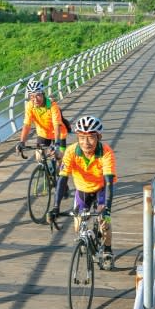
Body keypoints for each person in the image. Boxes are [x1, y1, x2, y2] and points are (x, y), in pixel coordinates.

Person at [49, 115, 117, 270]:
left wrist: (106, 207)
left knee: (104, 222)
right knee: (78, 226)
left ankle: (107, 250)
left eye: (91, 138)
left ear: (99, 137)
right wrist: (55, 207)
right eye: (81, 137)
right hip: (82, 190)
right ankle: (85, 240)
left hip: (101, 189)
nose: (86, 143)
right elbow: (62, 180)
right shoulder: (71, 151)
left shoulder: (106, 153)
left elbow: (108, 183)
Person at [15, 79, 69, 157]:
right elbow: (27, 125)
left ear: (43, 94)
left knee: (59, 157)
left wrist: (57, 143)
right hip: (43, 133)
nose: (35, 99)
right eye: (32, 96)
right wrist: (22, 142)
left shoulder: (53, 106)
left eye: (38, 95)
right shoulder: (29, 106)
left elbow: (56, 125)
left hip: (59, 134)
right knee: (39, 157)